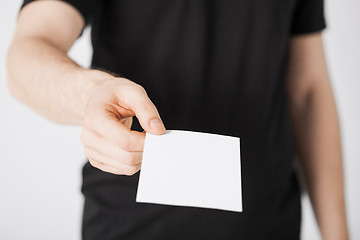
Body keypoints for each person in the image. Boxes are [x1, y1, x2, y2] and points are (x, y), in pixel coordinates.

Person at [6, 0, 349, 239]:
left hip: (270, 224)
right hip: (130, 227)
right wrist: (90, 92)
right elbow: (27, 51)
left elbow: (307, 92)